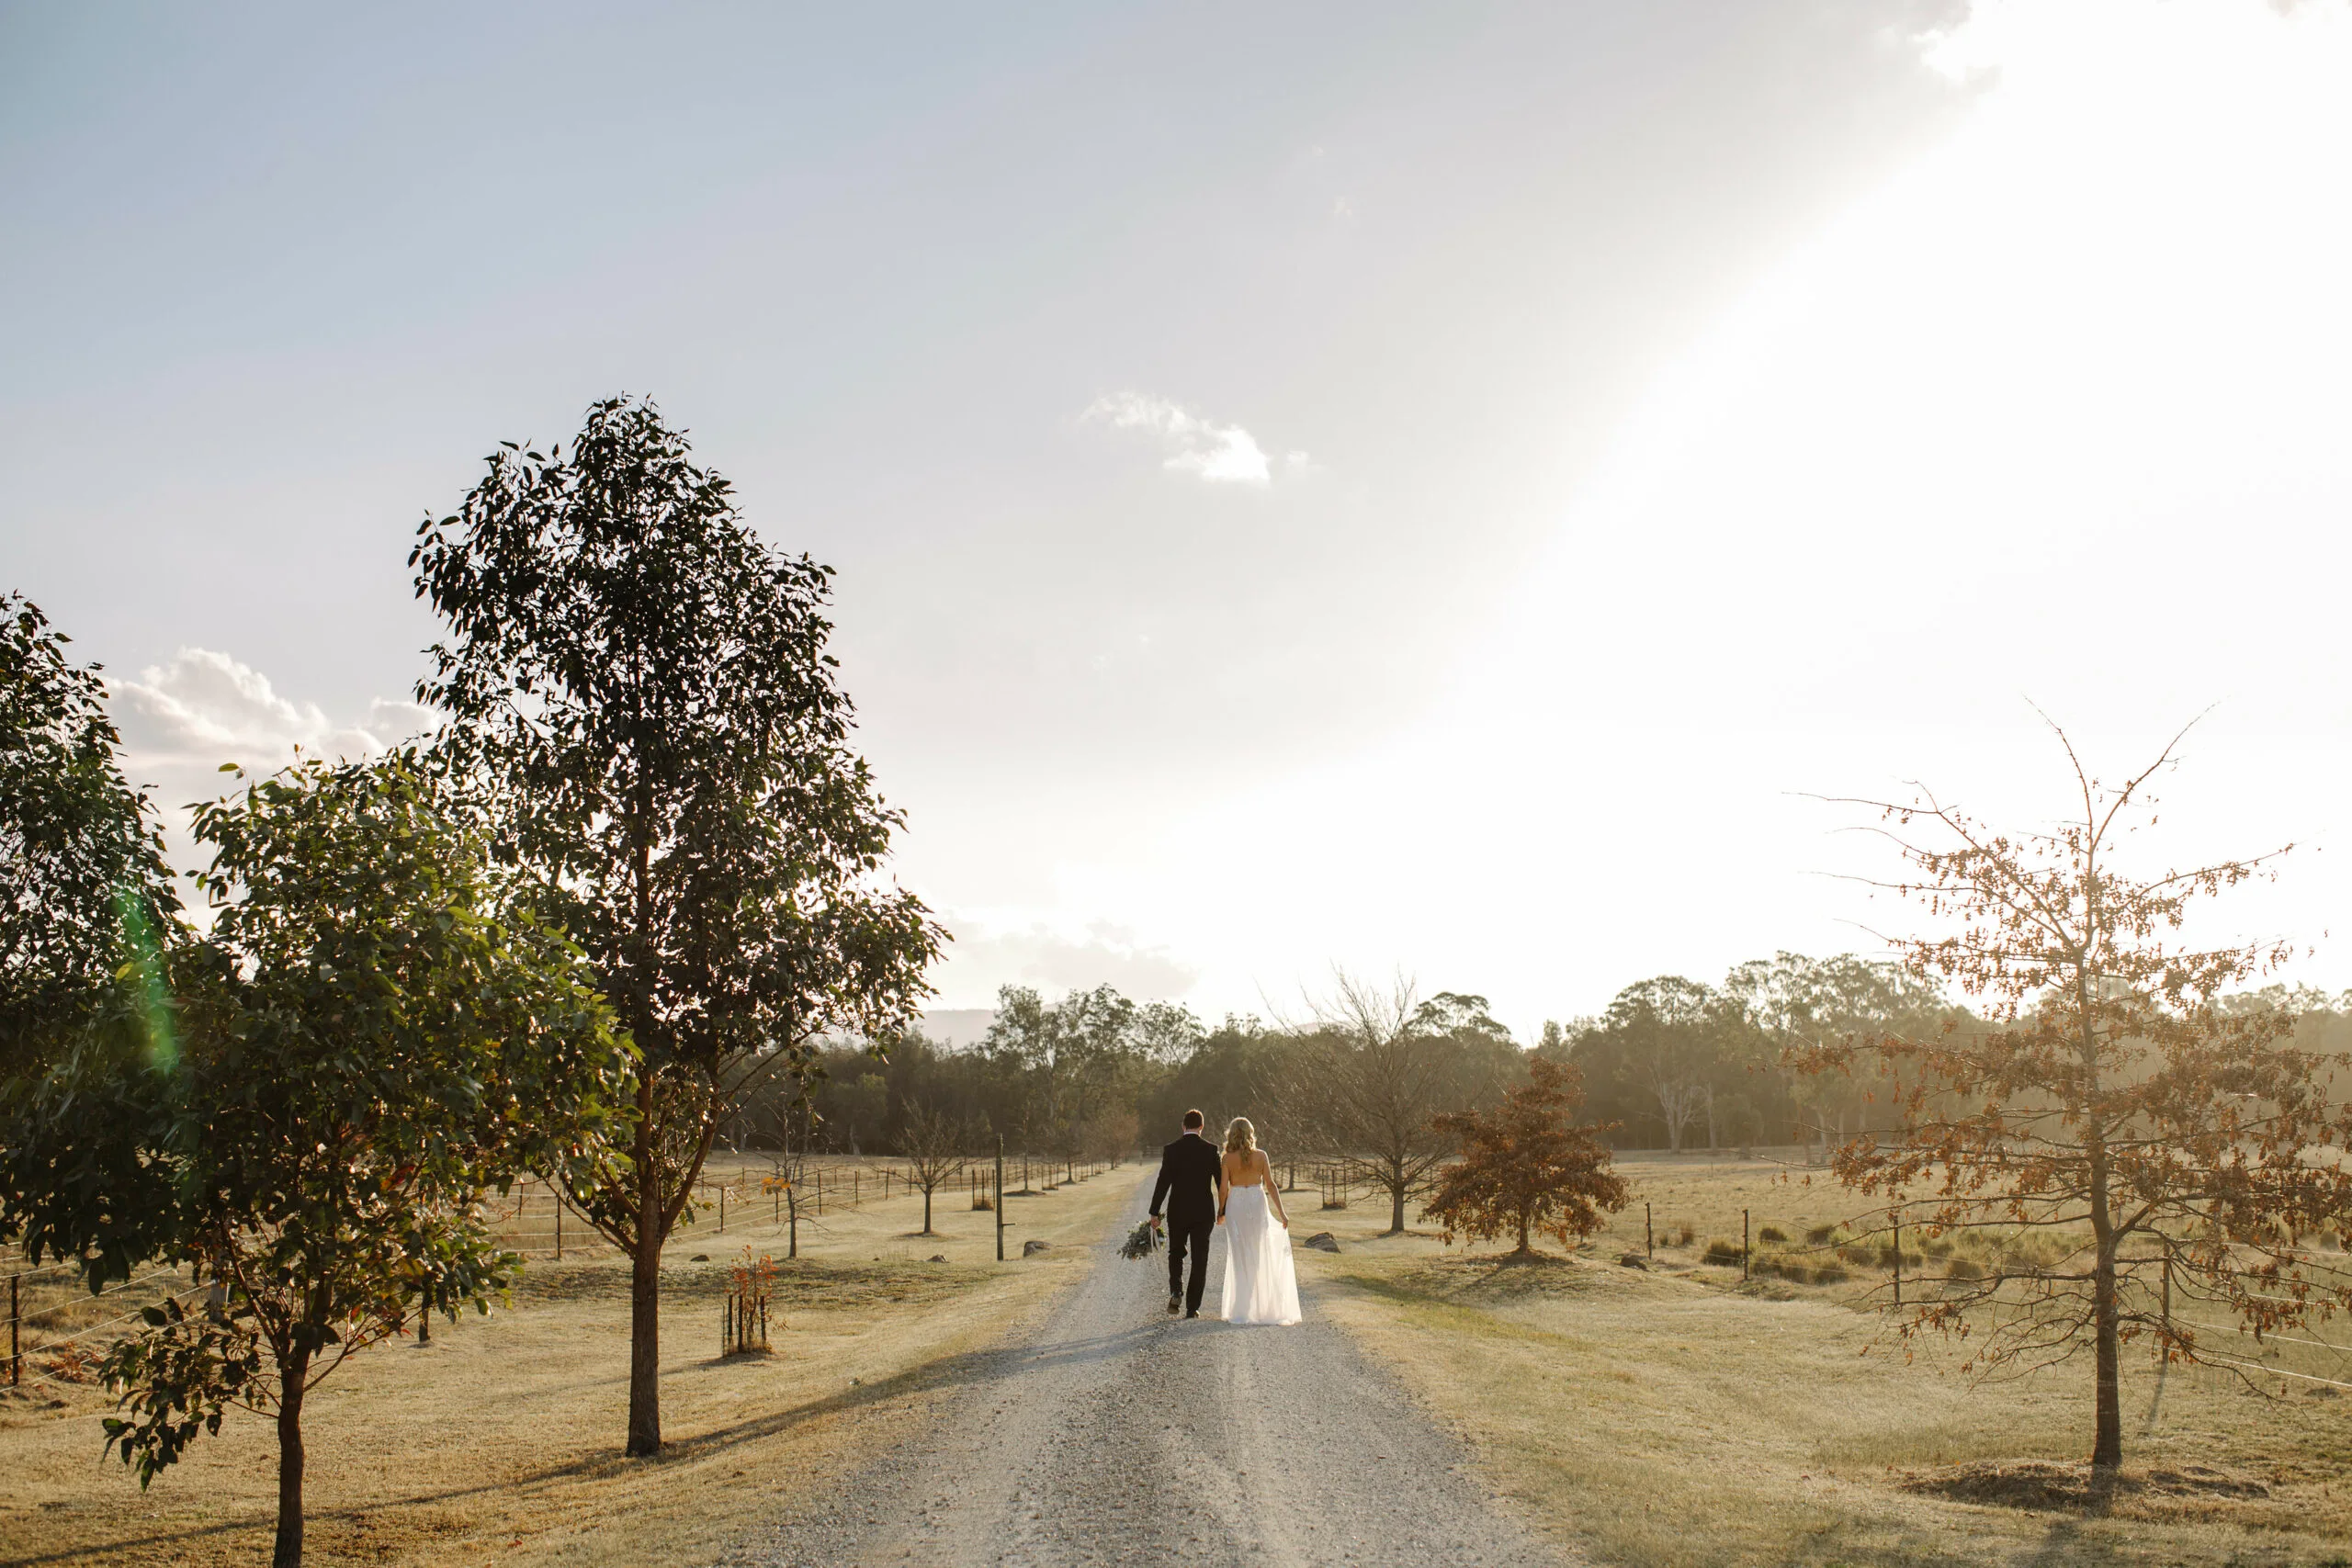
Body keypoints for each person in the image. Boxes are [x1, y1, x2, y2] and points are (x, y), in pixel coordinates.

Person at [1216, 1117, 1301, 1325]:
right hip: (1256, 1201)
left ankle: (1242, 1307)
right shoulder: (1262, 1156)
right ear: (1250, 1133)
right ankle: (1256, 1306)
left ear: (1232, 1134)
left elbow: (1223, 1189)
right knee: (1257, 1251)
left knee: (1239, 1253)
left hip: (1236, 1203)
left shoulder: (1227, 1159)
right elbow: (1271, 1185)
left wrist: (1221, 1211)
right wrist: (1281, 1212)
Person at [1148, 1109, 1222, 1317]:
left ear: (1183, 1126)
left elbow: (1163, 1183)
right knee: (1200, 1259)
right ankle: (1192, 1307)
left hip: (1178, 1211)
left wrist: (1154, 1211)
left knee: (1176, 1253)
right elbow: (1220, 1182)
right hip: (1203, 1213)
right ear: (1202, 1126)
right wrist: (1225, 1209)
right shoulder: (1210, 1150)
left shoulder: (1172, 1150)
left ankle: (1176, 1290)